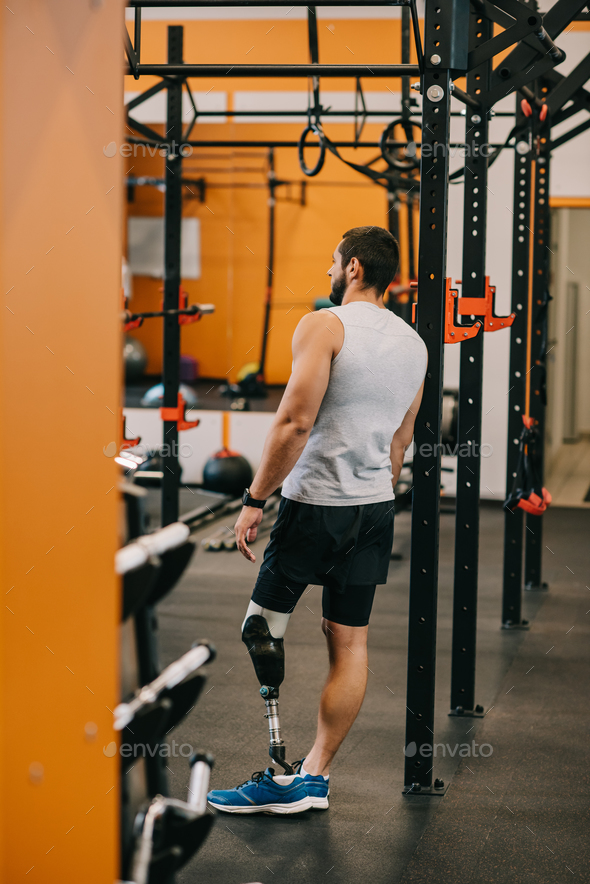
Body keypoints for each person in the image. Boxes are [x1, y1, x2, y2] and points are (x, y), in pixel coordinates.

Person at [207, 226, 427, 814]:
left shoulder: (324, 325)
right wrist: (375, 496)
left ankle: (278, 778)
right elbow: (401, 443)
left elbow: (294, 422)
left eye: (333, 262)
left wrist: (254, 499)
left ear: (353, 268)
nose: (330, 272)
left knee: (261, 628)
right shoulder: (414, 344)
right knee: (348, 641)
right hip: (374, 506)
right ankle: (314, 774)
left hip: (314, 507)